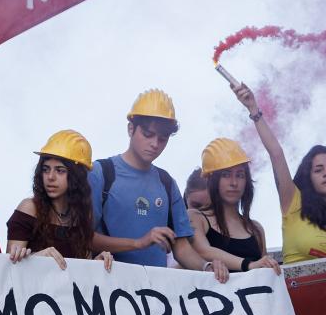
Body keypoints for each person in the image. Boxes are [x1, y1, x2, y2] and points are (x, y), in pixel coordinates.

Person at [89, 89, 226, 279]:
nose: (155, 144)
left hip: (153, 292)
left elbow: (182, 248)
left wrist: (207, 267)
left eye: (163, 138)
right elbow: (82, 237)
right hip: (108, 288)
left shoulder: (167, 182)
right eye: (148, 134)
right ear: (130, 129)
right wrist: (138, 243)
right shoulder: (100, 173)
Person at [231, 79, 326, 263]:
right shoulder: (294, 203)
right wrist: (253, 109)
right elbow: (276, 154)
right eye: (318, 170)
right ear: (309, 178)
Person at [7, 130, 114, 270]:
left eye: (60, 170)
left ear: (76, 176)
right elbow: (10, 266)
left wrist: (95, 264)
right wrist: (36, 259)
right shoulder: (29, 207)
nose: (50, 177)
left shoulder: (82, 213)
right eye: (46, 169)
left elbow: (79, 269)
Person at [187, 138, 281, 274]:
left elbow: (265, 273)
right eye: (226, 175)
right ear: (212, 180)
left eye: (240, 175)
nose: (234, 183)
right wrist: (248, 265)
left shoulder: (256, 229)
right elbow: (202, 250)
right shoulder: (196, 218)